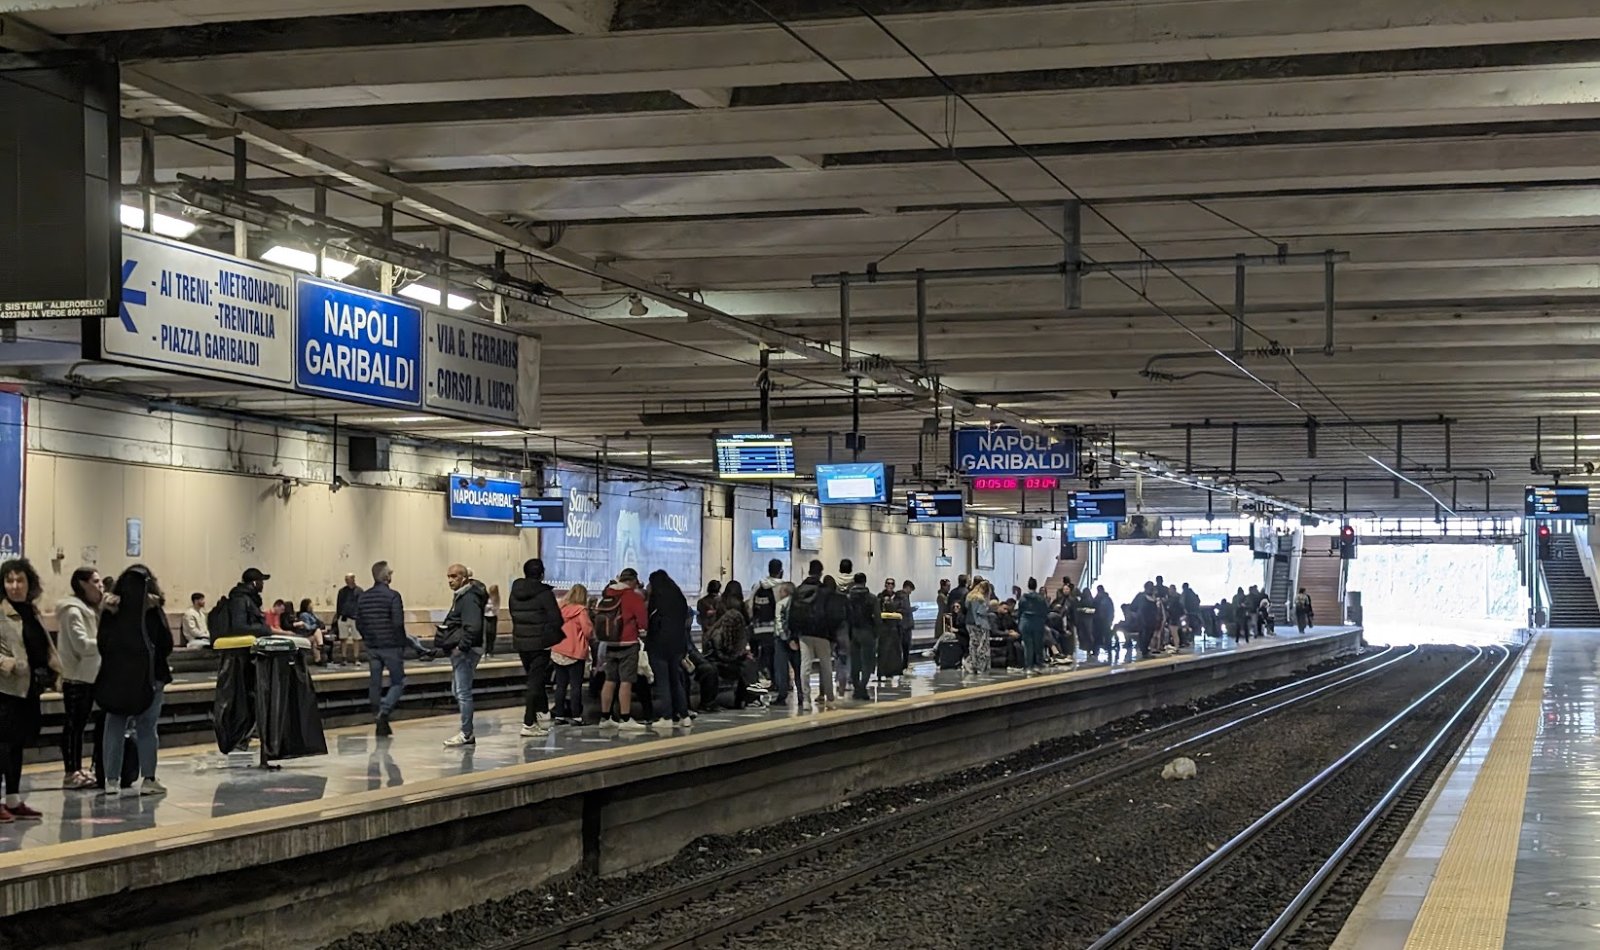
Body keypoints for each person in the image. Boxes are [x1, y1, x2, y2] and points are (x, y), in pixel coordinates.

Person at [96, 564, 172, 798]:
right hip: (151, 678)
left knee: (115, 726)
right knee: (147, 727)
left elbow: (102, 643)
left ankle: (111, 780)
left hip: (117, 678)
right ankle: (148, 779)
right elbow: (166, 644)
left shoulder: (111, 609)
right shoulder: (151, 609)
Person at [1, 559, 60, 819]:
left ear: (29, 583)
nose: (15, 586)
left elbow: (42, 644)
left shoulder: (31, 611)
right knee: (1, 746)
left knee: (17, 744)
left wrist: (53, 667)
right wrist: (7, 664)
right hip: (5, 689)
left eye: (20, 580)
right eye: (9, 580)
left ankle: (13, 799)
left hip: (28, 689)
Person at [56, 568, 103, 790]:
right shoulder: (72, 611)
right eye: (95, 581)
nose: (100, 585)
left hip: (90, 676)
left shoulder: (91, 609)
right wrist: (105, 643)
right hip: (76, 677)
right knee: (73, 726)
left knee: (80, 725)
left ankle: (77, 768)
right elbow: (81, 645)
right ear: (82, 584)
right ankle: (70, 771)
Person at [508, 557, 562, 736]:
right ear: (542, 573)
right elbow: (556, 619)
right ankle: (528, 723)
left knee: (533, 679)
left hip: (522, 642)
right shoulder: (544, 593)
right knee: (534, 682)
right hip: (540, 644)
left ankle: (542, 714)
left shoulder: (515, 592)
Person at [438, 563, 487, 747]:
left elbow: (473, 626)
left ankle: (467, 733)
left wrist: (461, 647)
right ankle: (467, 731)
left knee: (463, 692)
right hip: (464, 650)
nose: (450, 580)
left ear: (464, 578)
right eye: (449, 576)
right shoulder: (463, 596)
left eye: (454, 577)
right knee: (458, 690)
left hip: (466, 651)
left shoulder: (468, 598)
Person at [357, 561, 406, 736]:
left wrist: (368, 639)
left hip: (372, 646)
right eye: (390, 573)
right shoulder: (393, 596)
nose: (391, 575)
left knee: (375, 683)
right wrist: (401, 644)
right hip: (391, 646)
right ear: (386, 576)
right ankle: (384, 712)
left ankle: (376, 715)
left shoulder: (363, 597)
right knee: (398, 681)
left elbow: (359, 623)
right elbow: (398, 623)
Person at [596, 568, 649, 732]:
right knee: (626, 681)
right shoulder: (633, 597)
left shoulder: (607, 594)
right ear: (633, 581)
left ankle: (605, 717)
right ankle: (625, 718)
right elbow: (643, 623)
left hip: (609, 643)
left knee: (610, 680)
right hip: (628, 644)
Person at [646, 570, 695, 727]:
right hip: (678, 645)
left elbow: (651, 623)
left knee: (663, 682)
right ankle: (684, 715)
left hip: (659, 645)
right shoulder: (679, 598)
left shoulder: (656, 600)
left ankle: (666, 717)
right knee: (676, 680)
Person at [790, 560, 836, 709]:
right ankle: (829, 699)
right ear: (821, 572)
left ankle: (806, 700)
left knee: (805, 666)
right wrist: (833, 635)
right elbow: (831, 614)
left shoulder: (798, 590)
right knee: (826, 667)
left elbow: (793, 613)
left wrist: (793, 635)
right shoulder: (824, 591)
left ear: (809, 571)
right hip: (822, 633)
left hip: (804, 633)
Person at [705, 580, 757, 708]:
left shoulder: (719, 606)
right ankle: (750, 698)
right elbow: (728, 652)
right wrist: (742, 655)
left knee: (747, 664)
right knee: (748, 666)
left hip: (721, 656)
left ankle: (748, 698)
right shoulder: (737, 613)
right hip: (725, 659)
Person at [552, 585, 593, 725]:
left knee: (560, 685)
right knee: (575, 686)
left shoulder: (560, 609)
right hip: (575, 652)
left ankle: (559, 715)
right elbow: (588, 631)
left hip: (558, 650)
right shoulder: (581, 611)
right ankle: (576, 716)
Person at [843, 573, 880, 700]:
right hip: (867, 632)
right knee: (867, 662)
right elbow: (877, 617)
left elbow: (845, 617)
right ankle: (862, 687)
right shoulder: (872, 598)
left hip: (853, 632)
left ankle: (857, 688)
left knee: (854, 662)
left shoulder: (847, 598)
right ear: (865, 581)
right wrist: (877, 633)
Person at [750, 559, 783, 689]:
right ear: (781, 571)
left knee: (764, 655)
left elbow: (750, 604)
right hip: (776, 628)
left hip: (759, 629)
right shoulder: (783, 586)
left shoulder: (758, 585)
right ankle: (778, 682)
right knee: (778, 656)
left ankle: (762, 679)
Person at [1016, 577, 1050, 675]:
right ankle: (1038, 664)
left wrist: (1020, 623)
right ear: (1036, 586)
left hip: (1025, 623)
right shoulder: (1041, 598)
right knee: (1038, 645)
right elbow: (1045, 611)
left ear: (1028, 585)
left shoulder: (1023, 598)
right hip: (1038, 623)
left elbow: (1020, 611)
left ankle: (1028, 666)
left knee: (1028, 646)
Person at [226, 568, 272, 637]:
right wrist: (265, 629)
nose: (262, 584)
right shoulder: (239, 599)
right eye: (261, 581)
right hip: (242, 646)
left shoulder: (251, 599)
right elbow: (239, 627)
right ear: (254, 583)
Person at [964, 580, 994, 675]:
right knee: (982, 646)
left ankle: (972, 664)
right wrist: (989, 607)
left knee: (973, 644)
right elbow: (981, 612)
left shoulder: (970, 597)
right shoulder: (981, 599)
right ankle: (982, 667)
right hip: (981, 624)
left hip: (969, 623)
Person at [335, 572, 363, 663]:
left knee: (356, 638)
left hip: (355, 617)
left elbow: (361, 604)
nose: (347, 581)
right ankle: (344, 657)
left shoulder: (359, 591)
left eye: (348, 579)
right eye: (346, 579)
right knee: (343, 638)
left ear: (353, 579)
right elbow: (339, 604)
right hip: (344, 617)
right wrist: (339, 615)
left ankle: (356, 658)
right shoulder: (342, 591)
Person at [297, 598, 327, 664]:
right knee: (317, 631)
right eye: (310, 605)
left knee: (315, 639)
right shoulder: (304, 615)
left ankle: (318, 659)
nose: (312, 607)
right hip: (306, 634)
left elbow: (319, 622)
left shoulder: (312, 614)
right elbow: (308, 627)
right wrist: (316, 626)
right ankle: (320, 645)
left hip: (314, 634)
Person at [1093, 585, 1116, 661]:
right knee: (1103, 636)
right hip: (1101, 621)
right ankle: (1103, 650)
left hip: (1103, 621)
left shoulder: (1100, 599)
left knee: (1104, 636)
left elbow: (1110, 610)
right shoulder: (1105, 599)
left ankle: (1099, 651)